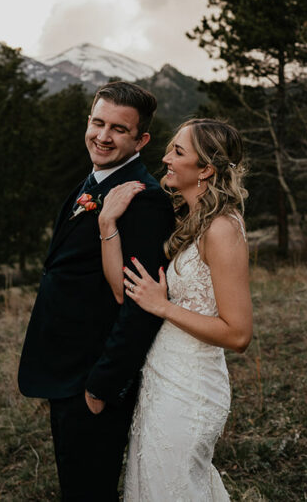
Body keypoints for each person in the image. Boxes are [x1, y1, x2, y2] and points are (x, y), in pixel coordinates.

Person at [17, 81, 175, 501]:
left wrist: (102, 386)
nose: (102, 136)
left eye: (118, 129)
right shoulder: (95, 180)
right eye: (97, 122)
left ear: (141, 139)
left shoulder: (144, 199)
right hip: (64, 370)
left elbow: (143, 303)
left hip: (91, 379)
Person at [97, 118, 252, 501]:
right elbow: (123, 288)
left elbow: (238, 334)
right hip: (161, 382)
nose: (165, 158)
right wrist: (106, 222)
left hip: (191, 389)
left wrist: (163, 307)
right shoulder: (189, 221)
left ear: (205, 170)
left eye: (178, 152)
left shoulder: (222, 229)